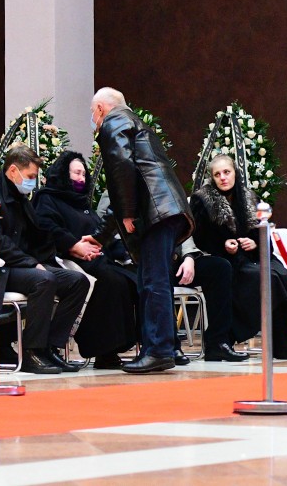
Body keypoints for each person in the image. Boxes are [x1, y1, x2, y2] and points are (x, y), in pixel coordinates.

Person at [0, 144, 89, 374]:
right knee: (44, 280)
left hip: (18, 266)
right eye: (30, 176)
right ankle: (31, 351)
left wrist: (52, 254)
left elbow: (34, 235)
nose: (32, 182)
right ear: (13, 171)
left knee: (77, 281)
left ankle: (49, 346)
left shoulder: (19, 197)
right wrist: (33, 263)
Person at [91, 87, 192, 374]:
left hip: (155, 213)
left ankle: (159, 350)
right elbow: (127, 183)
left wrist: (128, 212)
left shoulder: (114, 121)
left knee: (153, 282)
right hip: (164, 210)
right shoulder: (134, 123)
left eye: (92, 113)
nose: (93, 120)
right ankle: (158, 348)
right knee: (152, 281)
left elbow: (122, 168)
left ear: (100, 108)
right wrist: (100, 236)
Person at [188, 154, 287, 360]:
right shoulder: (201, 200)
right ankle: (229, 336)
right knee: (262, 278)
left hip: (254, 256)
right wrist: (224, 245)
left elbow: (264, 235)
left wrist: (255, 243)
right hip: (226, 260)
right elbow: (200, 238)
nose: (223, 177)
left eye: (226, 172)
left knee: (285, 278)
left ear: (235, 173)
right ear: (212, 178)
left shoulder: (250, 197)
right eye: (217, 174)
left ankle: (279, 341)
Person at [33, 151, 139, 369]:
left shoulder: (82, 203)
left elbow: (100, 234)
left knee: (133, 279)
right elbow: (47, 228)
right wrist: (74, 245)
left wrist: (126, 252)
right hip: (68, 259)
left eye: (83, 174)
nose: (81, 178)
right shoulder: (47, 198)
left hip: (98, 260)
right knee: (111, 281)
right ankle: (103, 351)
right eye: (76, 173)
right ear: (63, 173)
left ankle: (128, 346)